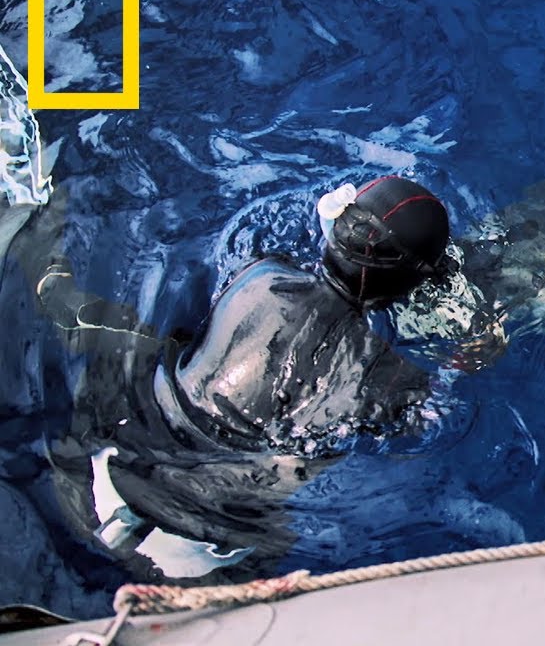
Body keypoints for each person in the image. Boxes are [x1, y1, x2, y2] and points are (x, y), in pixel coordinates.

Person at [16, 175, 507, 582]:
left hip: (107, 470)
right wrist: (467, 361)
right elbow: (433, 422)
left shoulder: (262, 277)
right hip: (212, 541)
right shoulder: (393, 380)